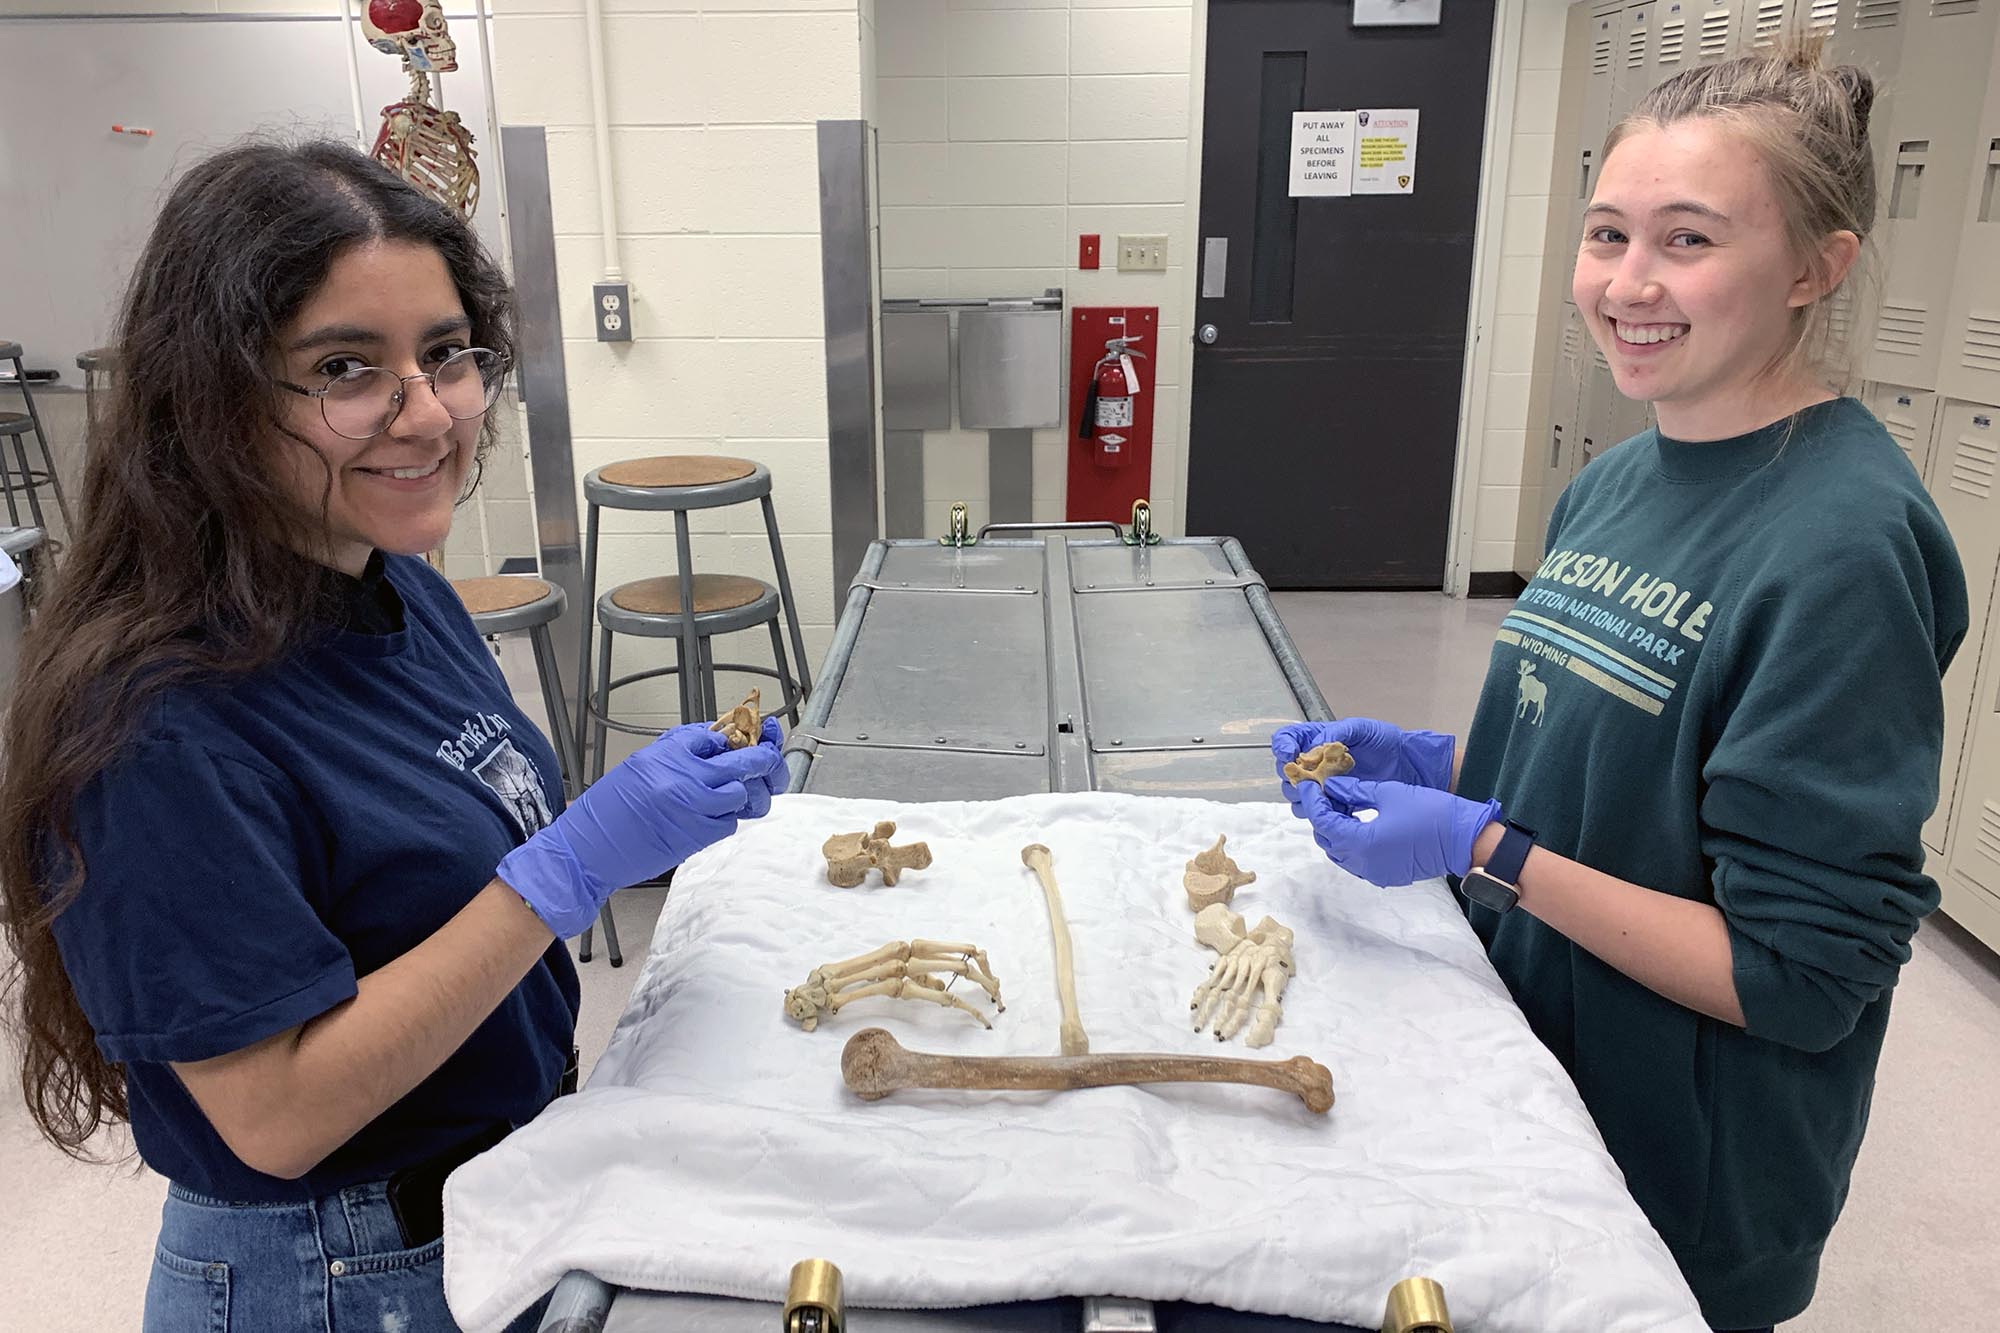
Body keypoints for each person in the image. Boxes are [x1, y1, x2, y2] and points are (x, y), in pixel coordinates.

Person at [0, 140, 786, 1332]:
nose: (426, 413)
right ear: (212, 397)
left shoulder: (388, 581)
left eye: (446, 353)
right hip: (340, 1270)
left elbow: (435, 853)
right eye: (344, 367)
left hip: (485, 1197)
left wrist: (614, 820)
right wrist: (569, 868)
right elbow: (276, 1116)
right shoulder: (157, 726)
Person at [1274, 46, 1966, 1333]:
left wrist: (1484, 843)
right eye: (1606, 234)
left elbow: (1798, 976)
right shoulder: (1614, 481)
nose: (1626, 284)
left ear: (1817, 267)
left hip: (1672, 1159)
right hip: (1536, 1074)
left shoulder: (1841, 547)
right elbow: (1617, 754)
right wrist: (1454, 770)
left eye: (1687, 239)